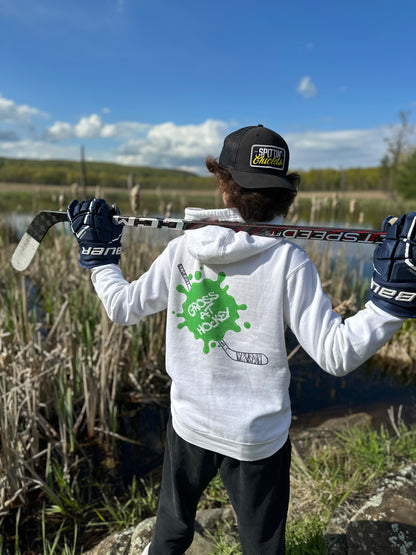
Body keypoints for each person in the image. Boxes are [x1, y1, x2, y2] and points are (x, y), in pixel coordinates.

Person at [67, 124, 416, 555]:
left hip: (189, 427)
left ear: (222, 184)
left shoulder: (183, 248)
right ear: (284, 194)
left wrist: (101, 261)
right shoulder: (289, 260)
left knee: (171, 531)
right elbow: (336, 354)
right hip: (257, 442)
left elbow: (122, 307)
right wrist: (388, 307)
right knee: (261, 547)